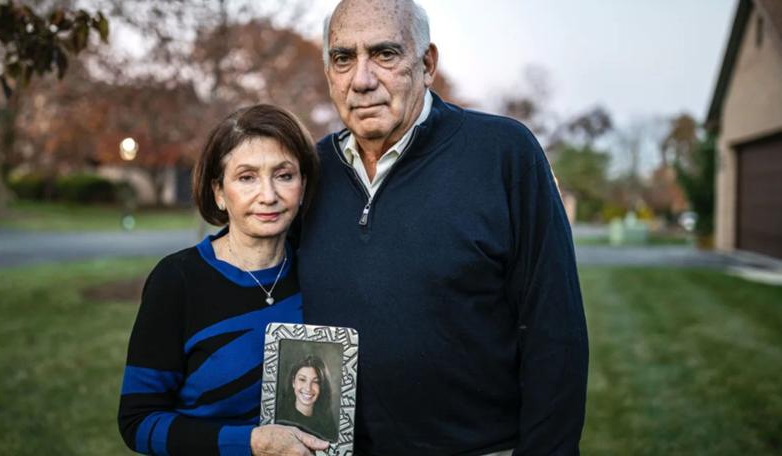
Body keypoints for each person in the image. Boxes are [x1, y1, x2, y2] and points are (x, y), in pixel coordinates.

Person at [297, 1, 589, 455]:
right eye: (343, 58)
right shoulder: (307, 173)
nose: (362, 79)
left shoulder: (503, 154)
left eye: (385, 54)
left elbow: (556, 329)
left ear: (427, 63)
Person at [117, 104, 329, 456]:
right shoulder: (178, 281)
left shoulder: (318, 272)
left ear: (303, 184)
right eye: (247, 177)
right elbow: (138, 422)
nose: (268, 195)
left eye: (284, 175)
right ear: (218, 190)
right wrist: (250, 443)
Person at [276, 355, 338, 442]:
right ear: (293, 382)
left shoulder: (327, 423)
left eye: (315, 382)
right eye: (302, 379)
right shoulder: (279, 417)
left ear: (322, 386)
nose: (308, 388)